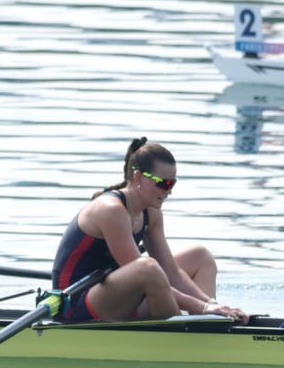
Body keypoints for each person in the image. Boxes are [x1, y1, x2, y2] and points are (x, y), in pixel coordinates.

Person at [51, 137, 247, 324]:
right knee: (148, 268)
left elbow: (170, 271)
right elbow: (145, 272)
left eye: (172, 183)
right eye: (163, 183)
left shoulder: (150, 212)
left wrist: (211, 305)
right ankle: (183, 335)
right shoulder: (111, 210)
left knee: (200, 256)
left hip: (116, 294)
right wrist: (201, 307)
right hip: (74, 304)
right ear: (138, 177)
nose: (169, 191)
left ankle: (208, 323)